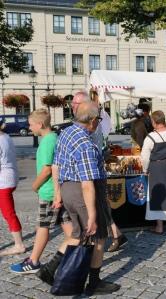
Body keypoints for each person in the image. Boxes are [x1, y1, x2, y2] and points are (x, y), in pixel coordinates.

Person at [52, 101, 120, 295]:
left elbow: (57, 164)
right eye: (98, 118)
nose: (99, 122)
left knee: (80, 234)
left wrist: (58, 192)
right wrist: (92, 214)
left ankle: (54, 273)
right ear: (91, 121)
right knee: (98, 237)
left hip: (68, 189)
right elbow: (87, 183)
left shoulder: (66, 132)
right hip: (82, 192)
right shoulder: (85, 144)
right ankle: (91, 282)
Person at [10, 109, 73, 274]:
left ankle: (34, 261)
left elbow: (46, 169)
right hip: (58, 191)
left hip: (49, 192)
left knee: (42, 227)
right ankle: (76, 255)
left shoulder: (46, 142)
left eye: (31, 125)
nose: (29, 128)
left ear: (40, 124)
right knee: (68, 227)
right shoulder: (54, 138)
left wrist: (35, 186)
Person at [72, 91, 127, 253]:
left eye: (77, 104)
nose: (73, 106)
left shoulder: (91, 124)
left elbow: (92, 148)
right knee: (102, 206)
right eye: (73, 103)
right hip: (92, 171)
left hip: (93, 172)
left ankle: (105, 236)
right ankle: (116, 234)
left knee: (101, 206)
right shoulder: (84, 121)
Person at [0, 119, 26, 256]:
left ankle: (19, 245)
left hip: (3, 182)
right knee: (8, 212)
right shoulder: (6, 136)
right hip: (11, 177)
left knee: (8, 213)